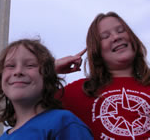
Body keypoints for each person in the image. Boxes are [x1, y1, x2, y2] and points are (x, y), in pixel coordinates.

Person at [56, 12, 150, 140]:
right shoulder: (81, 90)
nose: (116, 37)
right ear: (96, 51)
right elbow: (25, 107)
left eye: (121, 31)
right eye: (105, 36)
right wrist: (51, 68)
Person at [0, 38, 93, 140]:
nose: (18, 71)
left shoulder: (63, 124)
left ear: (47, 76)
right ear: (0, 79)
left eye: (30, 65)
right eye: (10, 66)